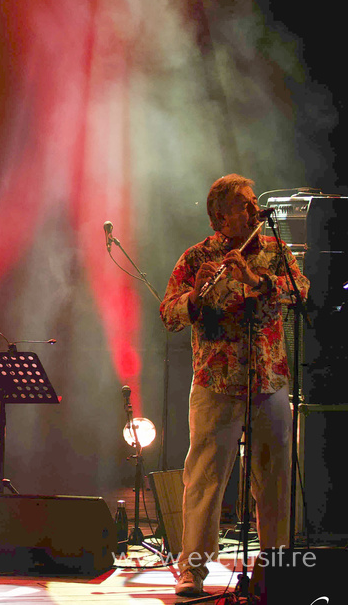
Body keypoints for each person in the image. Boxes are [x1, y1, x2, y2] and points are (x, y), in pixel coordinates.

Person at [160, 174, 309, 597]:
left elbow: (302, 290)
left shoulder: (275, 252)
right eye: (244, 204)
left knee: (275, 479)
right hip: (216, 382)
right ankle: (193, 569)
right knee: (205, 478)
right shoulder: (197, 257)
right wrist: (195, 297)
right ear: (220, 215)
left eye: (252, 203)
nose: (253, 209)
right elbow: (169, 313)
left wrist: (256, 281)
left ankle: (275, 566)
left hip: (270, 379)